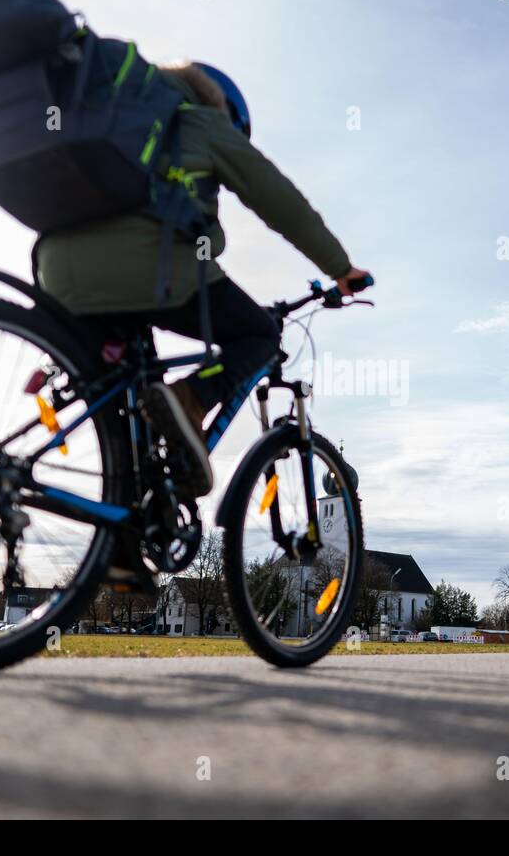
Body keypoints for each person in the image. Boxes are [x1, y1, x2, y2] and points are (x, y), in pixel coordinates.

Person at [33, 58, 369, 589]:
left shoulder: (112, 115)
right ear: (228, 111)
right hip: (149, 264)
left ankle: (122, 541)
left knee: (126, 402)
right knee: (259, 333)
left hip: (60, 273)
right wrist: (339, 267)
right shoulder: (202, 122)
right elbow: (276, 197)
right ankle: (191, 398)